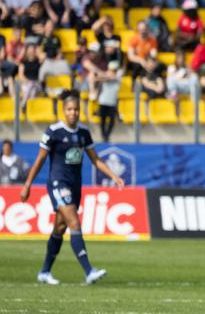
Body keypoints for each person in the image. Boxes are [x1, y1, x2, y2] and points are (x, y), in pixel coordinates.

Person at [20, 92, 126, 285]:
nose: (73, 113)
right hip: (58, 183)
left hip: (75, 186)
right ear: (64, 111)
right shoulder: (54, 132)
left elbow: (95, 159)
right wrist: (27, 184)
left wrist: (114, 176)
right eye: (70, 109)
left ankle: (44, 272)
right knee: (74, 223)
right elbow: (40, 159)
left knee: (59, 228)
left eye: (76, 109)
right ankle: (89, 271)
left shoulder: (83, 133)